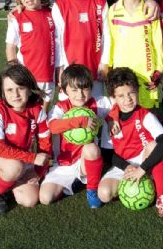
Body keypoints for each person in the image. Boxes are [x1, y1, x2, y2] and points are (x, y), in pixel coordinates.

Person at [98, 67, 163, 218]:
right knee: (104, 194)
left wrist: (142, 169)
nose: (128, 99)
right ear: (113, 97)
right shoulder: (111, 121)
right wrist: (127, 167)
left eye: (131, 93)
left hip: (146, 161)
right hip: (124, 164)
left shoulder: (145, 115)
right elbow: (107, 154)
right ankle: (142, 184)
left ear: (138, 91)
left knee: (154, 145)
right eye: (121, 96)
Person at [0, 62, 52, 213]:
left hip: (24, 157)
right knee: (14, 167)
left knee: (30, 200)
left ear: (29, 90)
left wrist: (38, 171)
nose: (15, 95)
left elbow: (46, 144)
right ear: (3, 92)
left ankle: (9, 183)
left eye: (20, 88)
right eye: (9, 90)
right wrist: (32, 158)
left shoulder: (38, 111)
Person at [39, 64, 111, 208]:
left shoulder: (96, 103)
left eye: (85, 89)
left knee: (91, 148)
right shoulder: (60, 107)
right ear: (65, 90)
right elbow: (53, 127)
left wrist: (112, 119)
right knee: (45, 198)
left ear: (91, 88)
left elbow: (115, 106)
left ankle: (92, 189)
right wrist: (81, 121)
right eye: (74, 90)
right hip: (63, 163)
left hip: (84, 161)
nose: (80, 95)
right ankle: (77, 182)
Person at [51, 0, 110, 99]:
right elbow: (56, 40)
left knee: (96, 109)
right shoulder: (60, 5)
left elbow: (108, 36)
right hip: (69, 70)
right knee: (70, 112)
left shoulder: (100, 2)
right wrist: (60, 67)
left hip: (95, 69)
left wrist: (104, 63)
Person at [107, 0, 163, 110]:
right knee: (123, 112)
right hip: (121, 72)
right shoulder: (112, 11)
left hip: (146, 72)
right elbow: (110, 42)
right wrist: (108, 67)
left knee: (149, 113)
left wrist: (159, 69)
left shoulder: (150, 9)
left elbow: (158, 41)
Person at [5, 0, 55, 110]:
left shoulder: (52, 14)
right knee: (26, 111)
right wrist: (14, 70)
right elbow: (10, 47)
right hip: (27, 76)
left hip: (48, 75)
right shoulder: (17, 17)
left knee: (43, 114)